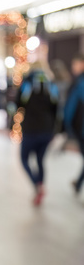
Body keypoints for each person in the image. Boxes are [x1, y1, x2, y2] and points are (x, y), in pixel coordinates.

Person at [16, 62, 59, 206]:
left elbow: (18, 104)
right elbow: (56, 108)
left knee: (24, 159)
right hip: (47, 130)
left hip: (30, 129)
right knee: (40, 160)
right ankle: (40, 185)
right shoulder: (51, 85)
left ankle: (37, 186)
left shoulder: (27, 83)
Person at [64, 54, 84, 194]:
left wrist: (67, 124)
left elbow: (71, 107)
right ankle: (78, 183)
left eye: (75, 64)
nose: (73, 67)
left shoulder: (80, 82)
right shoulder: (78, 81)